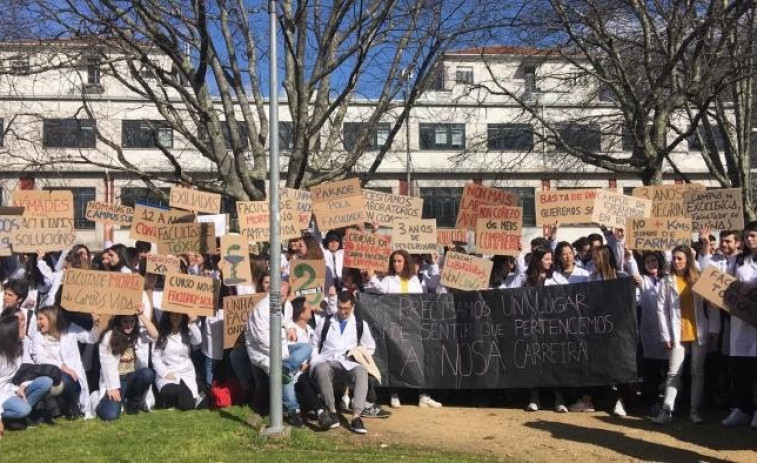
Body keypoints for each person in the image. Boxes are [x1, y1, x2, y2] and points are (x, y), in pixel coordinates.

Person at [365, 249, 442, 409]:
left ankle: (423, 395)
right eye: (394, 261)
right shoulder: (388, 280)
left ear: (406, 262)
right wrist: (371, 276)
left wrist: (434, 264)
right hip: (395, 327)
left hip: (414, 327)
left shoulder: (415, 280)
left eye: (399, 261)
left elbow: (428, 292)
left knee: (418, 360)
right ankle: (394, 394)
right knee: (396, 358)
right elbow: (376, 289)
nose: (396, 264)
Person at [653, 245, 719, 425]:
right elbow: (661, 310)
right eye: (674, 258)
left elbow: (711, 304)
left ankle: (694, 410)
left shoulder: (698, 278)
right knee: (674, 372)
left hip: (699, 330)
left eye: (680, 258)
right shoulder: (667, 281)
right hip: (677, 332)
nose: (676, 262)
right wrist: (665, 335)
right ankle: (666, 409)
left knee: (697, 371)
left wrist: (714, 328)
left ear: (688, 260)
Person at [311, 291, 376, 434]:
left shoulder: (360, 324)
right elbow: (314, 344)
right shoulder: (325, 321)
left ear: (353, 306)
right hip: (328, 360)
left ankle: (357, 417)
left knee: (361, 372)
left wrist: (359, 354)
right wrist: (314, 360)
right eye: (340, 307)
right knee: (321, 369)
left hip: (350, 363)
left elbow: (370, 347)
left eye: (346, 308)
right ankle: (332, 412)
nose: (342, 311)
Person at [30, 305, 99, 419]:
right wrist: (62, 367)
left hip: (76, 375)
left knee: (70, 381)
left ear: (51, 318)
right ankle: (70, 406)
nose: (38, 322)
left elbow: (91, 339)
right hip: (55, 374)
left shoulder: (70, 329)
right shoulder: (38, 337)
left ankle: (73, 406)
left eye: (41, 319)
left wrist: (96, 324)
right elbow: (39, 359)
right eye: (37, 319)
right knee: (65, 380)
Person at [522, 247, 568, 412]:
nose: (550, 262)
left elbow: (569, 295)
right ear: (538, 260)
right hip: (532, 328)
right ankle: (534, 398)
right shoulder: (525, 279)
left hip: (553, 328)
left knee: (555, 362)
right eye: (547, 259)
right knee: (535, 362)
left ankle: (559, 398)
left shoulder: (557, 278)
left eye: (551, 259)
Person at [721, 221, 757, 428]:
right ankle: (742, 409)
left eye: (753, 235)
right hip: (739, 321)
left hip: (755, 322)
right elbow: (724, 283)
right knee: (740, 367)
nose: (749, 239)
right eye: (747, 236)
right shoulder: (737, 260)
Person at [95, 306, 158, 421]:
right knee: (111, 416)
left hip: (131, 378)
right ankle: (98, 404)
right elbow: (106, 364)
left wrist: (141, 315)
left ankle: (132, 402)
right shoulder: (110, 336)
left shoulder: (136, 335)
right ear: (119, 322)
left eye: (131, 321)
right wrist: (112, 388)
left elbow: (154, 335)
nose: (129, 325)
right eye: (125, 321)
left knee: (148, 374)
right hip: (116, 381)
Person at [1, 313, 53, 430]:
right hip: (1, 394)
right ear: (12, 332)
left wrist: (23, 385)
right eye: (21, 326)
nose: (25, 326)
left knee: (46, 381)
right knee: (24, 409)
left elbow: (27, 368)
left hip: (13, 388)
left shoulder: (19, 346)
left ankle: (19, 416)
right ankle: (14, 415)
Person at [632, 252, 669, 410]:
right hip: (649, 331)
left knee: (669, 369)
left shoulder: (668, 279)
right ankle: (652, 401)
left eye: (654, 260)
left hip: (668, 330)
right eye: (647, 261)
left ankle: (670, 401)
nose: (651, 263)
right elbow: (633, 269)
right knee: (651, 369)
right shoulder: (643, 280)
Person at [153, 312, 205, 411]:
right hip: (168, 372)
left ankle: (186, 398)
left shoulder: (186, 331)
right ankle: (170, 401)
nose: (175, 317)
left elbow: (198, 340)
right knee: (169, 390)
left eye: (179, 314)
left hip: (185, 371)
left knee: (188, 405)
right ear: (168, 316)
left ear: (183, 316)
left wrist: (191, 323)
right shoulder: (161, 333)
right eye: (172, 314)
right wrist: (165, 373)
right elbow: (155, 358)